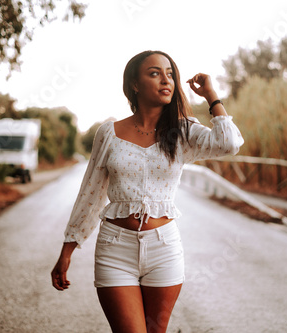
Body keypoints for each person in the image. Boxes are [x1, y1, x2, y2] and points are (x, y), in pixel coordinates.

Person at [51, 50, 244, 333]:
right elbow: (90, 194)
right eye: (154, 73)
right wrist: (68, 249)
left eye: (170, 74)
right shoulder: (109, 133)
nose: (165, 80)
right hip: (115, 249)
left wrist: (211, 95)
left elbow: (229, 143)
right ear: (135, 85)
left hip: (163, 248)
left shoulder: (184, 132)